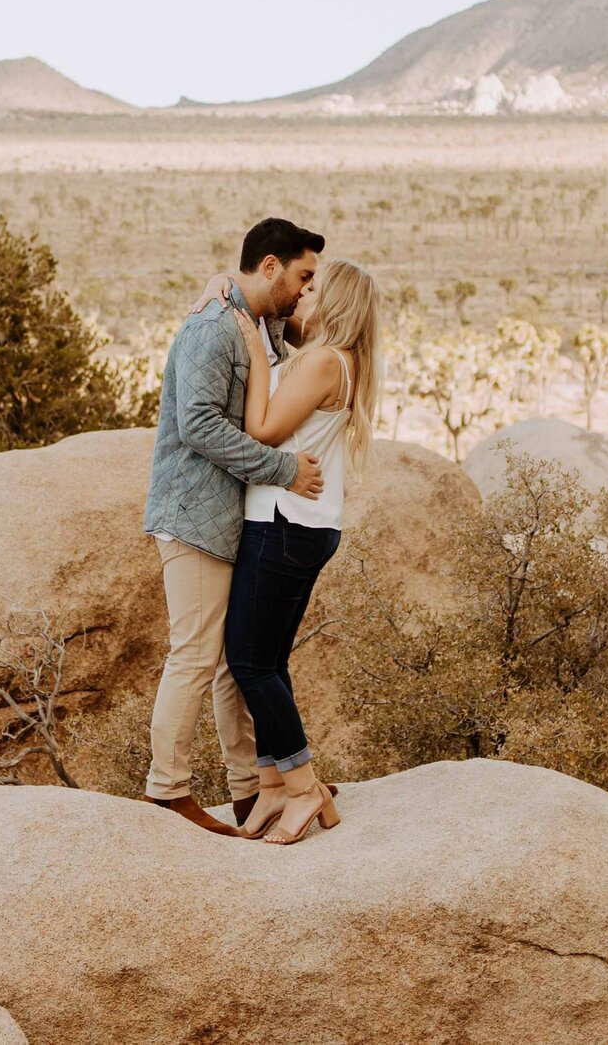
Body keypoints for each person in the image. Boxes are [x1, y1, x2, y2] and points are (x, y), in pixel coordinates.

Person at [139, 218, 327, 837]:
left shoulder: (259, 319)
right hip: (194, 514)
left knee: (227, 664)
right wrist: (281, 469)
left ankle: (249, 789)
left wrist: (226, 281)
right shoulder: (215, 329)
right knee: (194, 654)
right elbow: (196, 424)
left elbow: (317, 332)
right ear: (269, 266)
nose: (305, 291)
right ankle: (168, 792)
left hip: (227, 516)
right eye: (302, 277)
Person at [223, 256, 381, 846]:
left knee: (250, 662)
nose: (302, 292)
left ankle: (306, 787)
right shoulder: (341, 362)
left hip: (283, 524)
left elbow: (260, 428)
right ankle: (272, 785)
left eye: (314, 288)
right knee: (266, 659)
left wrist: (253, 346)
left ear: (336, 302)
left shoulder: (321, 362)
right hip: (304, 523)